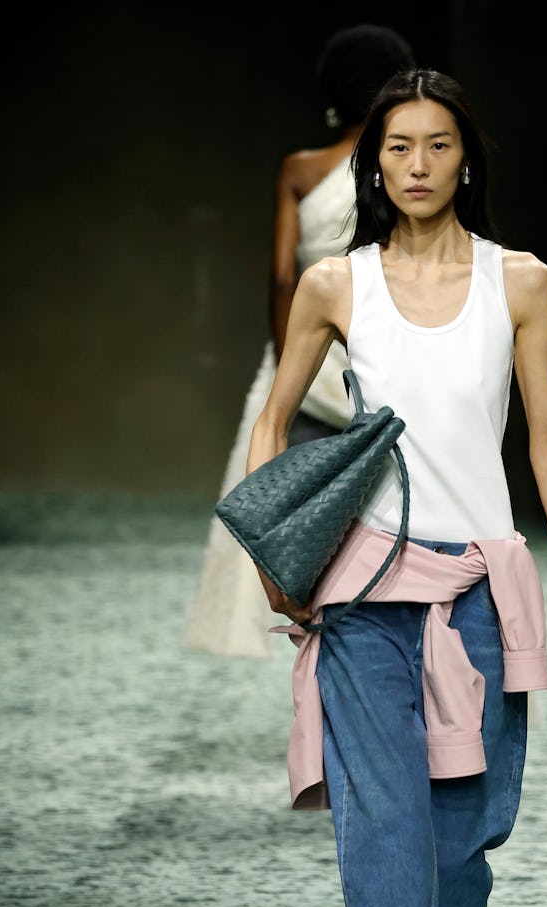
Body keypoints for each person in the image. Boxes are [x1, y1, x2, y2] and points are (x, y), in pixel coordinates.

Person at [245, 67, 547, 907]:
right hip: (365, 593)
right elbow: (272, 427)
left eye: (435, 146)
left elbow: (546, 438)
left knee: (469, 845)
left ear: (466, 159)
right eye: (396, 147)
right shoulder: (336, 285)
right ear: (376, 162)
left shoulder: (522, 283)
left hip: (484, 590)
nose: (414, 165)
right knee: (389, 843)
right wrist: (277, 560)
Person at [184, 24, 416, 658]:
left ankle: (305, 617)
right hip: (378, 350)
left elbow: (283, 275)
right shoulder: (396, 168)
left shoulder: (302, 169)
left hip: (303, 348)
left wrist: (294, 357)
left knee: (280, 489)